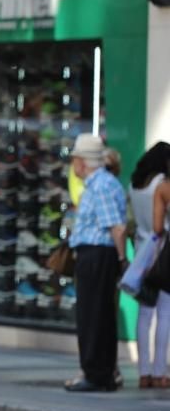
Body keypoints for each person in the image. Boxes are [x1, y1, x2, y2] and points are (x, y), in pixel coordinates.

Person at [64, 133, 128, 392]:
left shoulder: (100, 185)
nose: (73, 165)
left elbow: (117, 227)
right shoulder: (103, 183)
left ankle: (95, 373)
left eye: (75, 160)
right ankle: (103, 372)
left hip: (97, 255)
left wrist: (122, 259)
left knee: (92, 316)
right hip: (99, 255)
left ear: (83, 162)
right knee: (101, 316)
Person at [140, 144, 170, 388]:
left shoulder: (134, 184)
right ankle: (160, 371)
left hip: (143, 250)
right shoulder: (161, 185)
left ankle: (143, 371)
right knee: (164, 312)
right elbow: (159, 227)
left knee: (145, 312)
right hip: (161, 253)